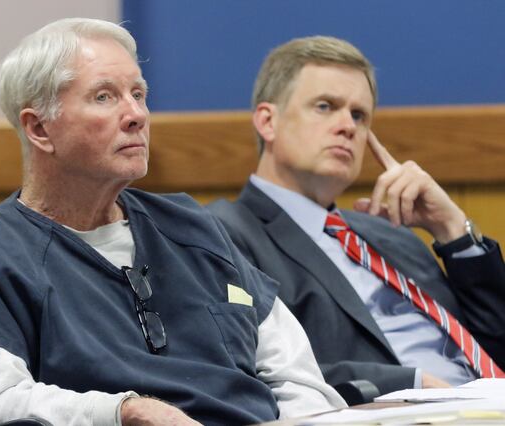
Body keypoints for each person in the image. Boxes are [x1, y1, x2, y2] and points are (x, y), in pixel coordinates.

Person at [0, 19, 346, 426]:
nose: (137, 115)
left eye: (139, 94)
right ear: (39, 129)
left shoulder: (194, 227)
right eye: (105, 97)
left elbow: (295, 375)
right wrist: (123, 412)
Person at [208, 36, 505, 396]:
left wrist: (452, 229)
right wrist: (407, 383)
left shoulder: (393, 236)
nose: (347, 126)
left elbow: (494, 343)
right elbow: (246, 362)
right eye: (325, 106)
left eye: (359, 115)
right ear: (268, 121)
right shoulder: (222, 232)